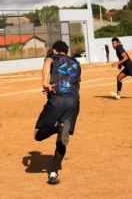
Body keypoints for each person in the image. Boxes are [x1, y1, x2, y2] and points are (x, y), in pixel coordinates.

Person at [34, 40, 81, 185]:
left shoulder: (52, 57)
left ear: (54, 50)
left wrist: (45, 83)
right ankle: (53, 173)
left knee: (38, 134)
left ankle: (58, 128)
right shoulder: (76, 62)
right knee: (62, 139)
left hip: (57, 99)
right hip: (73, 101)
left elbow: (47, 64)